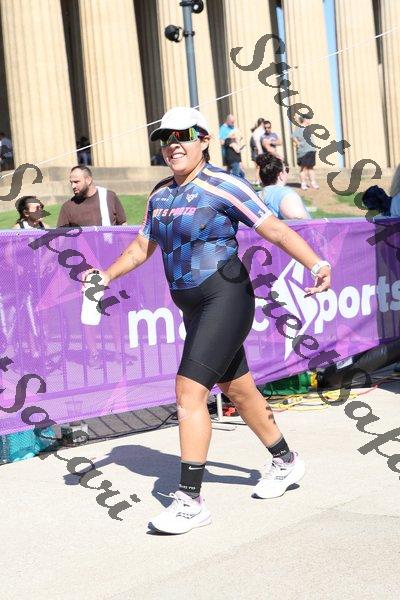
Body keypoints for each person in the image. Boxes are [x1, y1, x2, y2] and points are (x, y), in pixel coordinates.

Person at [83, 106, 331, 535]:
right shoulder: (160, 195)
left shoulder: (224, 184)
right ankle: (286, 461)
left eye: (182, 136)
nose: (172, 145)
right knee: (239, 389)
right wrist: (105, 276)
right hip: (193, 307)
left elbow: (274, 229)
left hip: (226, 297)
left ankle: (190, 502)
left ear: (204, 140)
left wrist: (317, 264)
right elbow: (141, 248)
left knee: (188, 391)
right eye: (165, 138)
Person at [57, 166, 127, 227]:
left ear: (88, 180)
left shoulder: (109, 197)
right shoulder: (67, 207)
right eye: (71, 182)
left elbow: (123, 225)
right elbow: (61, 236)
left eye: (76, 182)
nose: (73, 186)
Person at [257, 154, 311, 220]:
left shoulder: (257, 196)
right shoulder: (284, 193)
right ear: (281, 175)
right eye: (286, 170)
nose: (287, 173)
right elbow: (298, 218)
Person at [292, 116, 319, 191]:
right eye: (308, 119)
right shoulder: (299, 128)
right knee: (303, 168)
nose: (309, 121)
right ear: (305, 120)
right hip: (303, 152)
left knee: (311, 168)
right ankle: (303, 184)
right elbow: (293, 136)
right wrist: (298, 143)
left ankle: (313, 183)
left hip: (311, 151)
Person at [250, 118, 265, 185]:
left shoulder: (256, 131)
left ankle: (258, 180)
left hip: (256, 152)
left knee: (258, 168)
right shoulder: (260, 131)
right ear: (262, 123)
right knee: (259, 167)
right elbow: (256, 144)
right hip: (259, 152)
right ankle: (258, 181)